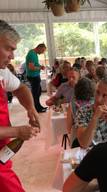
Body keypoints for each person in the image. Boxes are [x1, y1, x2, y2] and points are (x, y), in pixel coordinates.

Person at [0, 19, 40, 192]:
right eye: (8, 48)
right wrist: (17, 132)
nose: (12, 56)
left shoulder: (2, 71)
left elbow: (21, 88)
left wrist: (31, 109)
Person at [74, 78, 107, 149]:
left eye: (105, 96)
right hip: (91, 154)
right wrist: (95, 118)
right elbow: (84, 144)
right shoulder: (83, 111)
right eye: (97, 92)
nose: (98, 99)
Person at [66, 77, 95, 147]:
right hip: (93, 138)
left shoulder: (72, 104)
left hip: (77, 139)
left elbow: (68, 128)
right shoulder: (95, 103)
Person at [25, 43, 47, 113]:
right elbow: (31, 67)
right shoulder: (31, 54)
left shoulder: (34, 54)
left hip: (35, 76)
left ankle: (38, 106)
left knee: (38, 92)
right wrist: (40, 67)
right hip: (33, 76)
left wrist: (40, 66)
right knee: (35, 93)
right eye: (42, 50)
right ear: (39, 48)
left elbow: (35, 64)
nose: (42, 52)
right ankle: (36, 109)